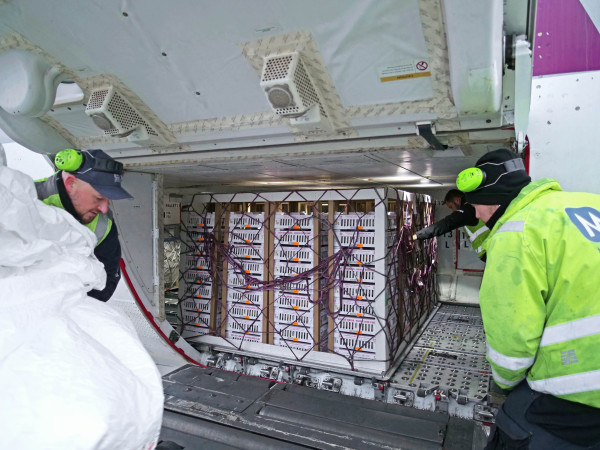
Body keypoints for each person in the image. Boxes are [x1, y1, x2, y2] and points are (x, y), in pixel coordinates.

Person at [456, 148, 600, 449]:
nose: (477, 215)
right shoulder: (586, 204)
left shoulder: (514, 233)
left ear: (494, 198)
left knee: (512, 424)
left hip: (580, 391)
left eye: (477, 206)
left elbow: (512, 348)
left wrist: (505, 382)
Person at [35, 148, 132, 301]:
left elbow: (107, 281)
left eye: (108, 200)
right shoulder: (24, 200)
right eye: (99, 198)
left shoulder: (103, 225)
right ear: (71, 183)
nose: (104, 208)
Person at [413, 189, 490, 260]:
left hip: (489, 250)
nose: (453, 210)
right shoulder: (472, 207)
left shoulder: (466, 211)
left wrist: (418, 235)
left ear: (457, 200)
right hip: (490, 249)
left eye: (451, 207)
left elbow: (445, 224)